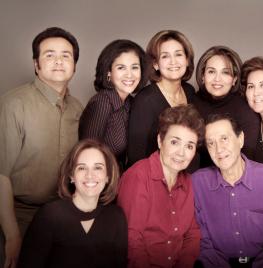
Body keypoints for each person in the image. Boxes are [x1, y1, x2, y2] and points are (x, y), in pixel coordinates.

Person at [0, 27, 83, 268]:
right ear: (36, 64)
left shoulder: (78, 109)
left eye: (66, 55)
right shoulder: (13, 104)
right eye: (49, 55)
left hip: (61, 215)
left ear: (75, 65)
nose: (58, 61)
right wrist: (12, 233)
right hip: (18, 215)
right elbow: (1, 175)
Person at [192, 114, 263, 268]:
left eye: (224, 139)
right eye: (211, 143)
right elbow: (201, 241)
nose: (219, 149)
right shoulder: (198, 183)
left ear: (240, 139)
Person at [18, 139, 128, 268]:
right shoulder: (50, 216)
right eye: (82, 168)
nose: (90, 175)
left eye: (98, 168)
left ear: (108, 176)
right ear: (71, 175)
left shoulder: (116, 217)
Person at [118, 105, 204, 268]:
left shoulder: (189, 182)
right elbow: (132, 239)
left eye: (189, 146)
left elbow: (192, 234)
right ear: (160, 140)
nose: (181, 153)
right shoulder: (138, 176)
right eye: (174, 142)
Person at [127, 30, 197, 166]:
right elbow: (136, 156)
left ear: (187, 60)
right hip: (155, 179)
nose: (173, 62)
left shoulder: (190, 91)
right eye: (165, 56)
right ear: (155, 64)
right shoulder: (145, 100)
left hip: (186, 177)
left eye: (178, 54)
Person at [79, 39, 147, 170]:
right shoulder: (102, 102)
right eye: (121, 67)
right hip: (97, 182)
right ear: (108, 72)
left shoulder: (130, 103)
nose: (129, 74)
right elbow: (87, 153)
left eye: (134, 67)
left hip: (119, 181)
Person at [193, 46, 260, 167]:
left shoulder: (245, 111)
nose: (217, 79)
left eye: (225, 72)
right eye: (211, 71)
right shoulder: (191, 102)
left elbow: (247, 161)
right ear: (203, 76)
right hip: (196, 178)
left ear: (234, 79)